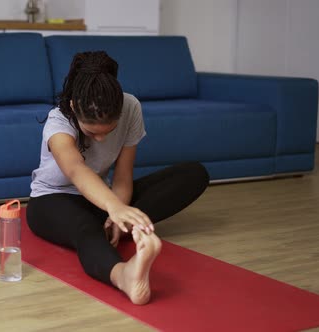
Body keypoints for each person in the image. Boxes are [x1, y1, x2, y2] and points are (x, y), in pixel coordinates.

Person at [26, 51, 209, 305]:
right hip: (53, 200)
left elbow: (123, 175)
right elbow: (77, 171)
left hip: (103, 198)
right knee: (86, 229)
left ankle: (117, 226)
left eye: (108, 131)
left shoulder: (130, 106)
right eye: (92, 132)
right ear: (73, 108)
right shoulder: (58, 122)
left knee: (194, 173)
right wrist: (115, 206)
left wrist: (117, 211)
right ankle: (124, 275)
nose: (100, 139)